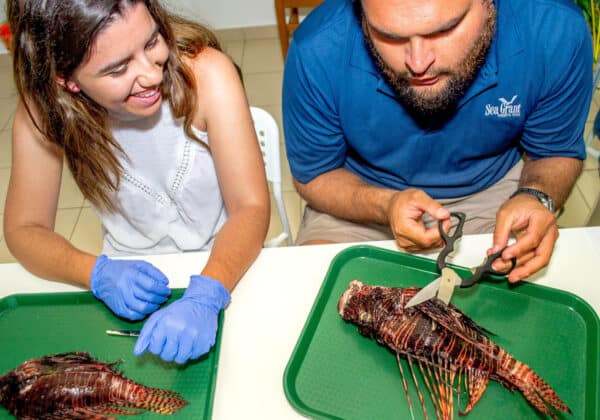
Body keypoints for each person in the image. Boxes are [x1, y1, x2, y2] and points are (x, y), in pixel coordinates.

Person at [3, 0, 270, 364]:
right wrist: (95, 272)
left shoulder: (207, 73)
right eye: (118, 68)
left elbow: (250, 206)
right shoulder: (44, 113)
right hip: (127, 281)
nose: (152, 74)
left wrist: (209, 291)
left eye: (151, 41)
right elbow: (24, 229)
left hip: (228, 263)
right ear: (65, 79)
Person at [283, 0, 593, 282]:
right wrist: (385, 205)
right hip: (362, 197)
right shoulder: (317, 47)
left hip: (497, 195)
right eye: (389, 35)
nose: (418, 63)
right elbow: (317, 175)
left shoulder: (554, 29)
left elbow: (554, 151)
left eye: (444, 29)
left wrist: (535, 196)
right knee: (309, 292)